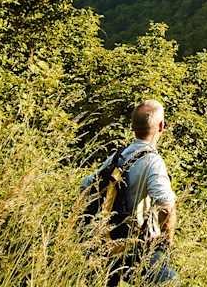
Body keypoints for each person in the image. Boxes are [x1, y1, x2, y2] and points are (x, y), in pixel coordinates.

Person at [83, 99, 179, 285]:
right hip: (133, 246)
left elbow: (86, 186)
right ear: (161, 126)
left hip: (103, 244)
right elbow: (166, 207)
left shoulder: (118, 156)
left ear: (133, 128)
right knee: (169, 281)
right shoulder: (153, 162)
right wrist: (167, 242)